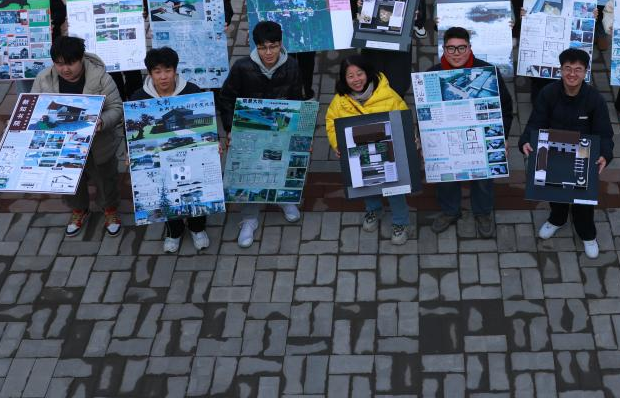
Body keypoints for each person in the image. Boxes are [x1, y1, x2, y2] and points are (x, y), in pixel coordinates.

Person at [521, 48, 613, 259]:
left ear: (586, 72)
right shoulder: (548, 93)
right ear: (560, 70)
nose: (572, 74)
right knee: (554, 193)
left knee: (583, 202)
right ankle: (557, 218)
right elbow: (536, 121)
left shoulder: (595, 100)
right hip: (552, 152)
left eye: (578, 69)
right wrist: (525, 140)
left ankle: (587, 233)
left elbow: (604, 133)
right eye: (567, 68)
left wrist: (605, 154)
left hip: (583, 154)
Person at [217, 21, 304, 246]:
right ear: (255, 47)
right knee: (250, 171)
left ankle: (283, 198)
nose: (268, 52)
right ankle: (249, 218)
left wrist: (301, 134)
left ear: (280, 44)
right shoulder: (241, 67)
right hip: (249, 130)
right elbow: (226, 98)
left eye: (273, 46)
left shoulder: (292, 66)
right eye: (263, 47)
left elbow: (297, 99)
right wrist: (230, 128)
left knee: (281, 164)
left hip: (280, 129)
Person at [33, 35, 124, 239]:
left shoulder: (101, 78)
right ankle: (79, 209)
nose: (65, 69)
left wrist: (102, 122)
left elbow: (116, 108)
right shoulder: (43, 79)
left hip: (98, 144)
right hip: (62, 146)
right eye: (59, 64)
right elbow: (35, 108)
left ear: (81, 58)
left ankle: (109, 209)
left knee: (105, 178)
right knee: (68, 179)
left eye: (70, 63)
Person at [429, 27, 515, 237]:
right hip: (446, 139)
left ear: (470, 48)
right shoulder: (431, 75)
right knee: (446, 178)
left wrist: (502, 137)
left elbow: (505, 107)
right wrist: (424, 138)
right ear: (444, 49)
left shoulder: (489, 72)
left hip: (482, 136)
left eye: (461, 48)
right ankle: (450, 210)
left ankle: (482, 212)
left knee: (483, 179)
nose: (456, 53)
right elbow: (425, 112)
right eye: (451, 48)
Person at [129, 47, 210, 253]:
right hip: (159, 158)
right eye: (157, 72)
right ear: (150, 73)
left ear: (175, 70)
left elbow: (205, 121)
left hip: (189, 155)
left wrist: (211, 146)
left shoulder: (192, 91)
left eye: (168, 70)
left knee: (194, 188)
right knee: (165, 191)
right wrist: (131, 152)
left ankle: (197, 228)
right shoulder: (138, 97)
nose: (163, 77)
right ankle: (174, 231)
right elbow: (130, 130)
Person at [325, 56, 413, 243]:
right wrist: (337, 143)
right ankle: (374, 209)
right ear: (344, 79)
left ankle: (401, 222)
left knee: (394, 189)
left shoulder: (388, 95)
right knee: (365, 184)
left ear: (368, 73)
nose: (356, 79)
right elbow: (331, 123)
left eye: (360, 74)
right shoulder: (338, 102)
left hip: (388, 153)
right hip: (360, 156)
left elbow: (403, 116)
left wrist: (408, 141)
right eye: (350, 76)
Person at [365, 0, 423, 97]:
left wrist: (415, 15)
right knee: (374, 71)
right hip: (376, 34)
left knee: (395, 76)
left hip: (397, 39)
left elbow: (419, 13)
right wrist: (364, 2)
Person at [269, 0, 323, 99]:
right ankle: (290, 93)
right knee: (287, 63)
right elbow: (268, 7)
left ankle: (307, 91)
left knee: (307, 64)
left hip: (309, 32)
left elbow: (323, 5)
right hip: (286, 33)